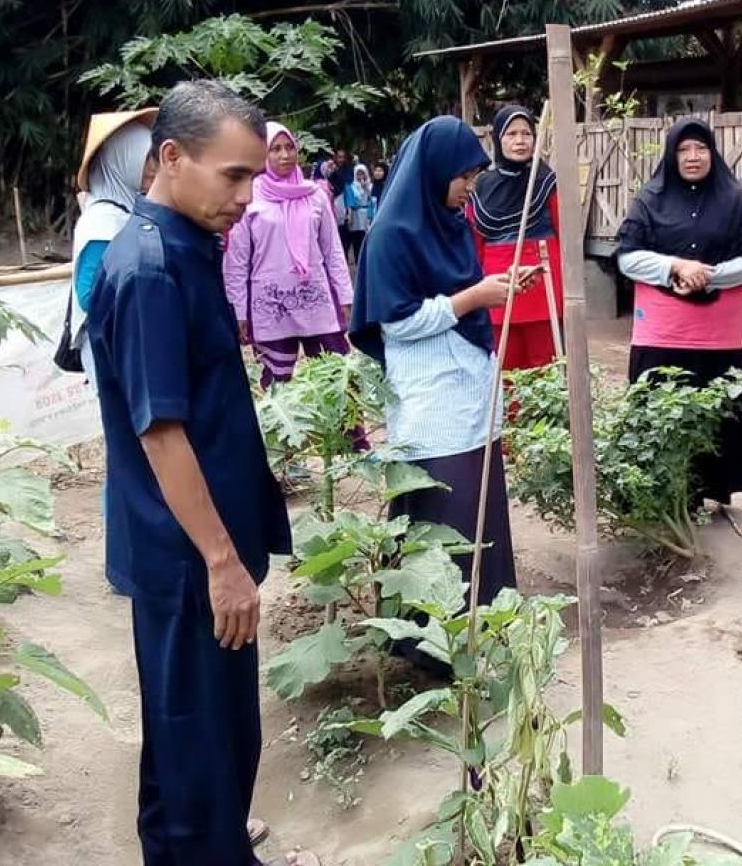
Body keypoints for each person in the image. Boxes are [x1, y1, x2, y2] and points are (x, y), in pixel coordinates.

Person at [85, 80, 316, 866]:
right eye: (234, 176)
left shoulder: (188, 245)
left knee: (204, 736)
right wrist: (222, 563)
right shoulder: (149, 267)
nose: (249, 197)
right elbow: (161, 433)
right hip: (186, 557)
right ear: (171, 158)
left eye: (255, 176)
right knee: (198, 740)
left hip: (200, 546)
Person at [349, 116, 537, 628]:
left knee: (479, 506)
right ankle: (429, 641)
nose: (470, 189)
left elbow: (456, 294)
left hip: (466, 387)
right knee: (442, 513)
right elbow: (396, 322)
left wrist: (496, 283)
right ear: (433, 171)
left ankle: (482, 625)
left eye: (475, 177)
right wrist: (475, 297)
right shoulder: (391, 234)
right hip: (430, 397)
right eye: (464, 178)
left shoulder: (450, 224)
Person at [616, 118, 742, 509]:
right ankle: (658, 494)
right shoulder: (649, 199)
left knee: (717, 411)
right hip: (663, 332)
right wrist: (675, 267)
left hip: (716, 333)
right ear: (671, 154)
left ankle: (710, 492)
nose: (693, 156)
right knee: (658, 407)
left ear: (712, 153)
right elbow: (627, 258)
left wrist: (711, 276)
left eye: (701, 148)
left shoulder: (734, 201)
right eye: (684, 149)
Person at [223, 122, 354, 388]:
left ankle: (345, 433)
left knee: (338, 382)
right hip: (270, 306)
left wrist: (345, 295)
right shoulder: (250, 196)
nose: (285, 155)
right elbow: (236, 260)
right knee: (276, 389)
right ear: (263, 155)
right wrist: (238, 311)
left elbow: (333, 251)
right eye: (275, 149)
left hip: (316, 301)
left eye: (289, 147)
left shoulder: (315, 194)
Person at [466, 104, 564, 371]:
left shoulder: (546, 181)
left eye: (526, 133)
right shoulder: (481, 186)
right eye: (511, 134)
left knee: (546, 374)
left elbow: (565, 236)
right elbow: (475, 246)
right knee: (504, 376)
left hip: (543, 289)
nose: (520, 141)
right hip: (498, 290)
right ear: (498, 139)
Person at [69, 108, 156, 394]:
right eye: (146, 159)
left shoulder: (129, 210)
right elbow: (88, 295)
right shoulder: (102, 221)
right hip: (111, 346)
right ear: (123, 163)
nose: (155, 168)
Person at [342, 161, 376, 262]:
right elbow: (350, 201)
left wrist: (365, 187)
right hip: (356, 214)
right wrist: (350, 216)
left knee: (366, 237)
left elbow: (372, 199)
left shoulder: (370, 185)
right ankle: (357, 259)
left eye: (362, 173)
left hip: (366, 214)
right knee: (356, 238)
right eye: (358, 173)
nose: (360, 176)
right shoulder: (351, 186)